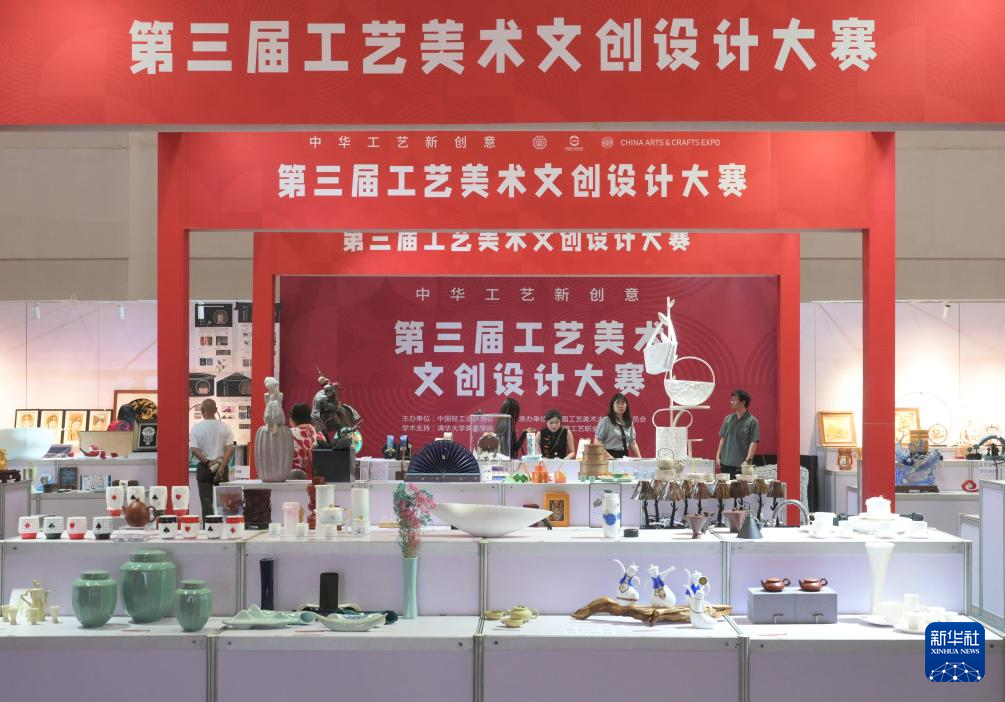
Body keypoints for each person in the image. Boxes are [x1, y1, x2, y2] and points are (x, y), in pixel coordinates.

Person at [190, 398, 235, 518]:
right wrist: (222, 467)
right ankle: (226, 527)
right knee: (226, 503)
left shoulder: (196, 428)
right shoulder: (225, 427)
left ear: (202, 410)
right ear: (216, 410)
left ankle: (208, 528)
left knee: (206, 504)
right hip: (221, 466)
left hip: (204, 468)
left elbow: (194, 450)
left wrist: (208, 462)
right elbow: (229, 448)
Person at [716, 389, 760, 479]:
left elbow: (754, 442)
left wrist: (748, 461)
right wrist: (717, 456)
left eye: (734, 400)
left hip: (741, 466)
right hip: (725, 463)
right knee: (725, 487)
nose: (731, 402)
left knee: (740, 488)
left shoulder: (752, 421)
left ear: (743, 402)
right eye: (731, 399)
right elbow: (723, 438)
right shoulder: (728, 419)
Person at [594, 393, 642, 459]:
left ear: (626, 405)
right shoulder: (606, 420)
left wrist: (640, 459)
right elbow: (597, 440)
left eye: (623, 403)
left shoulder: (629, 422)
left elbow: (632, 442)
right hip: (609, 456)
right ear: (612, 405)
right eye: (617, 403)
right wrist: (608, 456)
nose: (620, 406)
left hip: (624, 456)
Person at [290, 402, 323, 477]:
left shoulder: (288, 434)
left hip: (295, 478)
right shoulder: (320, 435)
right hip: (318, 479)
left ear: (293, 418)